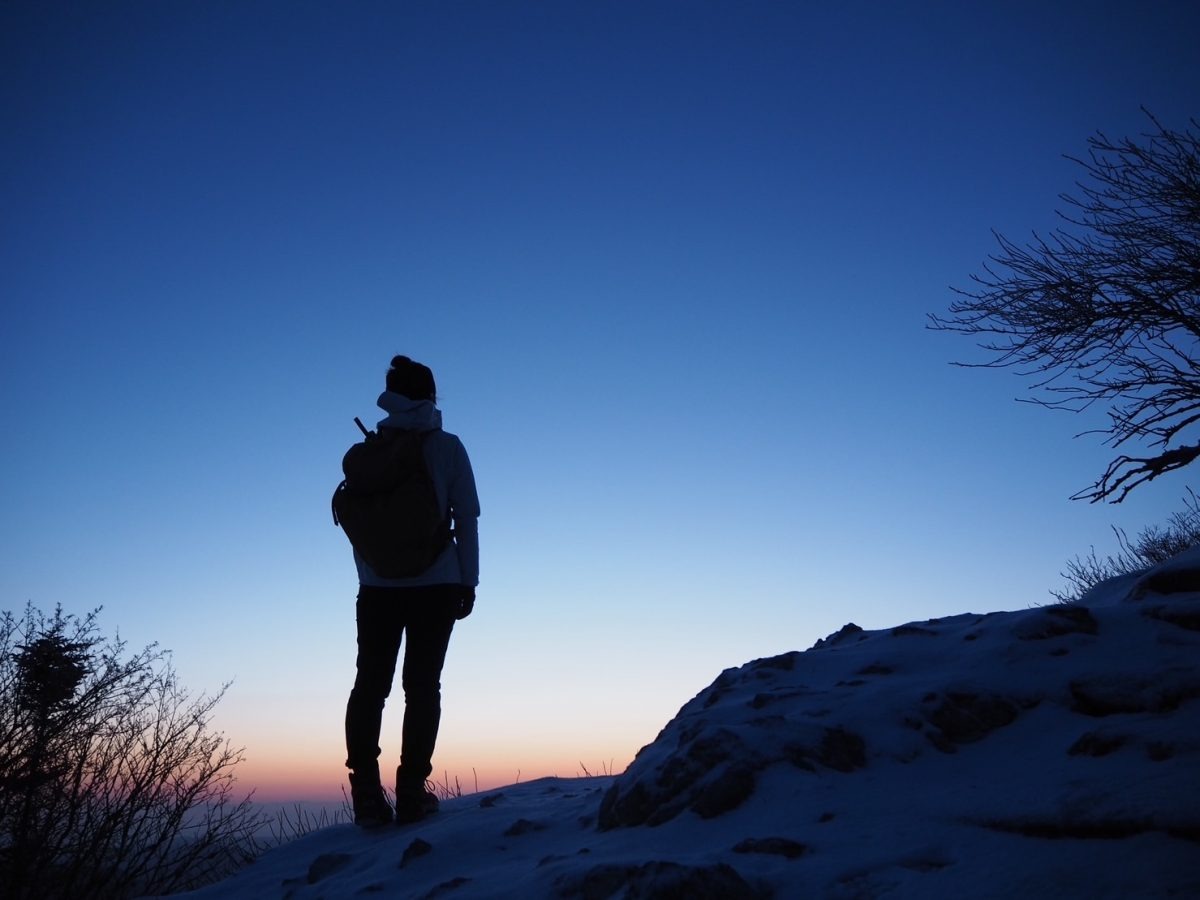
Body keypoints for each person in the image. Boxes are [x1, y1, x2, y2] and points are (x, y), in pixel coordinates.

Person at [343, 355, 480, 826]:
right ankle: (410, 793)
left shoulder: (373, 448)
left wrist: (374, 571)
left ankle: (365, 794)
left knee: (370, 686)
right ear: (431, 395)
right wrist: (469, 580)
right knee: (422, 688)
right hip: (437, 583)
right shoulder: (447, 447)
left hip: (376, 587)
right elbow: (466, 517)